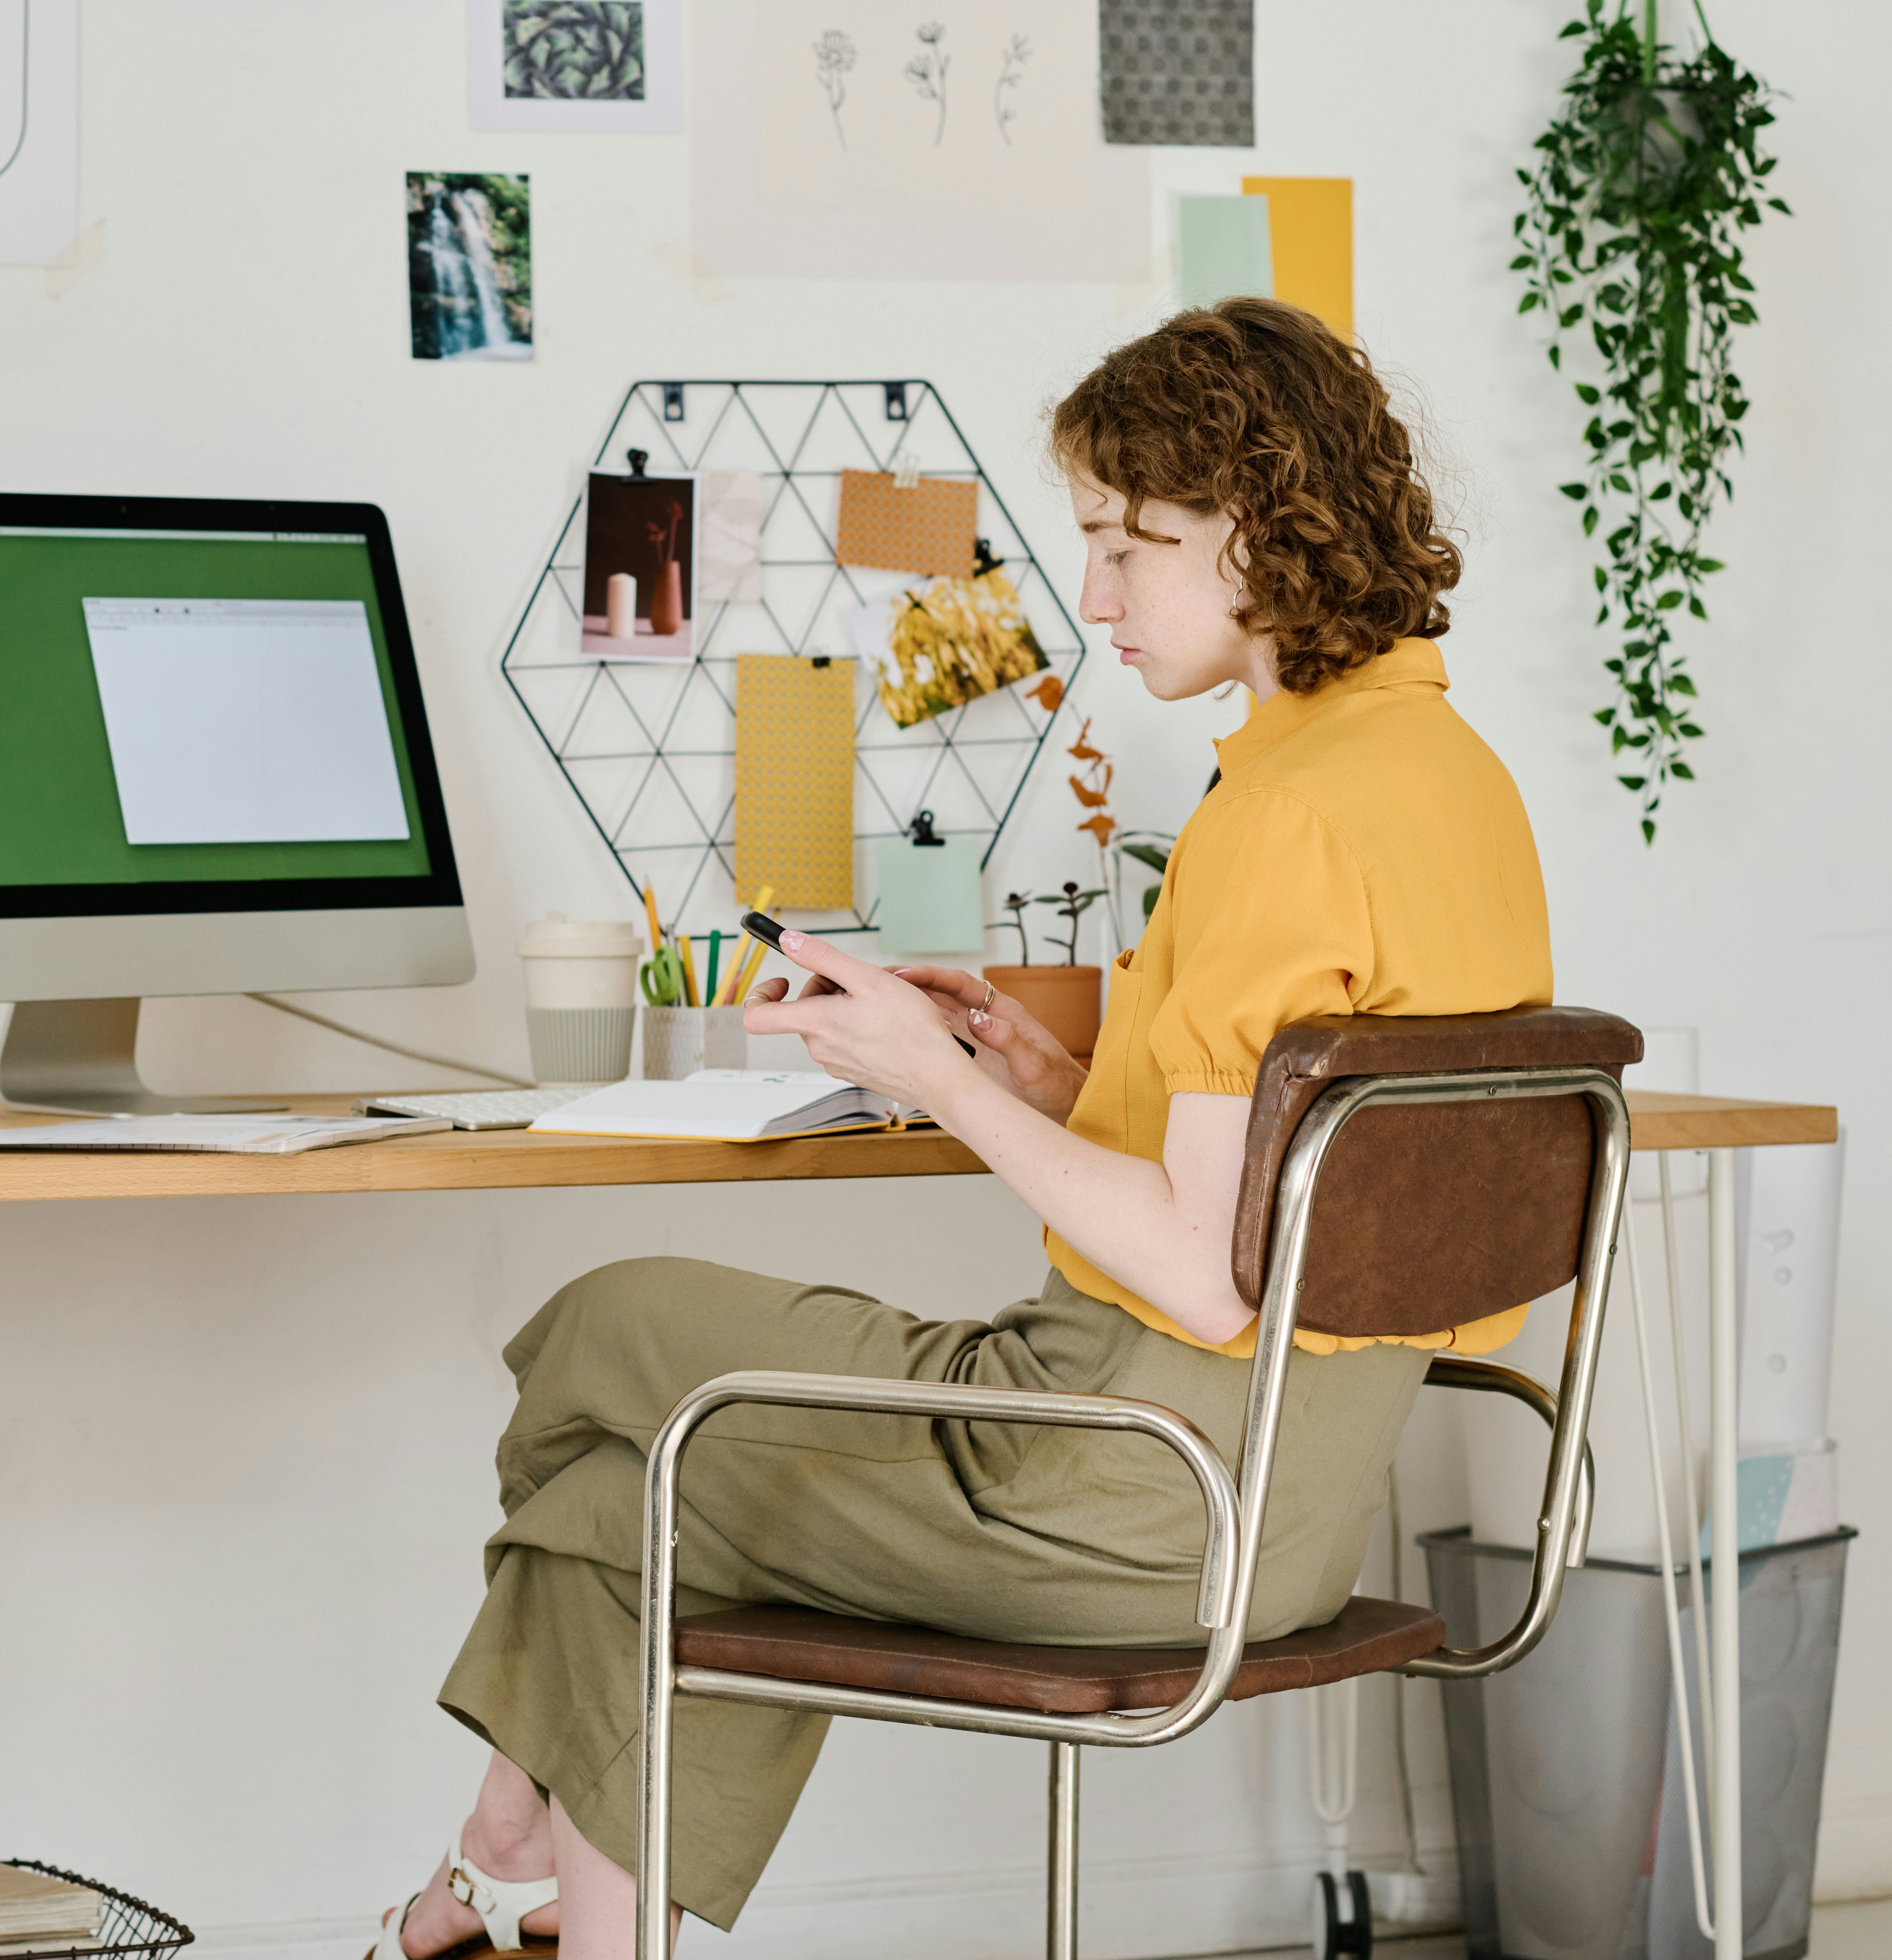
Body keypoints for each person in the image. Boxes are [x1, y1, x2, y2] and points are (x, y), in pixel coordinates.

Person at [367, 295, 1551, 1960]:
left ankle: (501, 1860)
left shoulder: (1281, 816)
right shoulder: (1445, 777)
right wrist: (1055, 1080)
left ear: (1269, 530)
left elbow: (1213, 1286)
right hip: (1291, 1505)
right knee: (633, 1482)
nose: (1095, 592)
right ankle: (511, 1893)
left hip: (1128, 1483)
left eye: (1129, 542)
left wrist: (944, 1081)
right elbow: (1298, 1187)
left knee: (607, 1345)